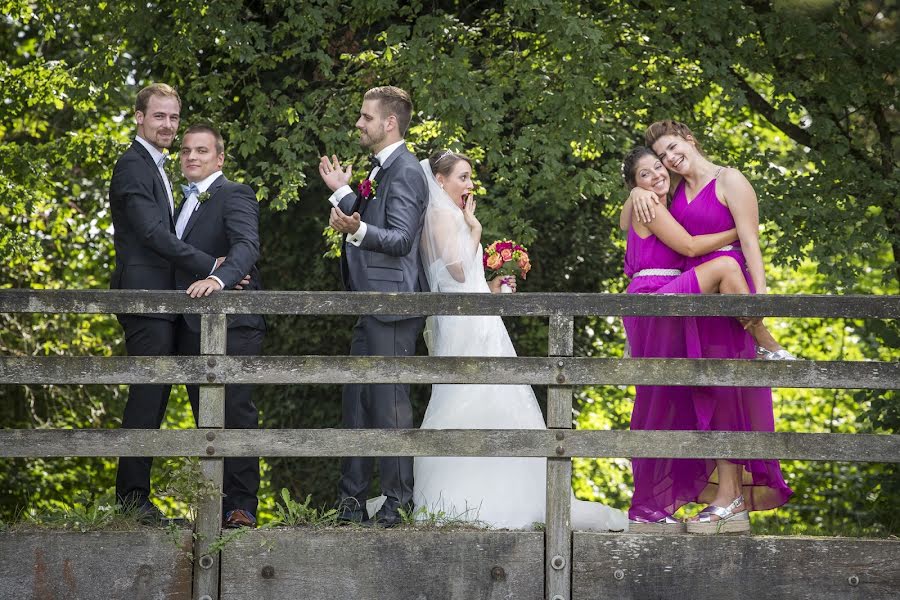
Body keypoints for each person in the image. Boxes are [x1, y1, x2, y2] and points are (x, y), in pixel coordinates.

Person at [413, 149, 628, 531]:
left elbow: (466, 280)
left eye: (469, 177)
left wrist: (491, 285)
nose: (469, 184)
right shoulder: (442, 216)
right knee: (469, 397)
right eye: (462, 176)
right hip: (466, 322)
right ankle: (468, 495)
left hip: (470, 317)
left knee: (487, 395)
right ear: (440, 180)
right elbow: (459, 273)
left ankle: (501, 491)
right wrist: (475, 230)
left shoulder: (446, 217)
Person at [637, 121, 793, 533]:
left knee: (728, 394)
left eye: (672, 148)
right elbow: (657, 226)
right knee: (703, 395)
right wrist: (637, 189)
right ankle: (722, 496)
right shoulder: (671, 191)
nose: (670, 159)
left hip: (728, 295)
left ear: (689, 139)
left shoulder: (731, 180)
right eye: (663, 155)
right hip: (693, 301)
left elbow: (750, 242)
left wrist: (757, 300)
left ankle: (731, 496)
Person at [109, 83, 226, 523]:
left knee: (155, 397)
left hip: (164, 298)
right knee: (146, 394)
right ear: (139, 117)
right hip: (145, 298)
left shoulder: (158, 167)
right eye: (159, 116)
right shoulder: (132, 166)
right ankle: (131, 500)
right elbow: (151, 234)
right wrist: (209, 263)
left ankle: (137, 499)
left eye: (174, 117)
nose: (168, 125)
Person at [318, 86, 429, 528]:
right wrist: (345, 193)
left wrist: (357, 226)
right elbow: (371, 221)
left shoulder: (404, 171)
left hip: (396, 303)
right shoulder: (381, 169)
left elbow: (400, 239)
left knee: (391, 405)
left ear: (389, 123)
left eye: (366, 117)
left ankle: (398, 502)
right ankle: (352, 501)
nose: (359, 124)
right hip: (371, 301)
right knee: (358, 402)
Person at [174, 123, 265, 528]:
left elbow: (246, 245)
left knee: (237, 412)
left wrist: (219, 279)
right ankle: (213, 508)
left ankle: (242, 506)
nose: (192, 157)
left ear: (220, 158)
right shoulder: (181, 204)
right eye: (186, 151)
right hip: (192, 325)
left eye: (202, 151)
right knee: (204, 417)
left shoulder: (235, 193)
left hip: (235, 322)